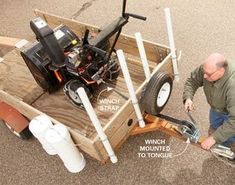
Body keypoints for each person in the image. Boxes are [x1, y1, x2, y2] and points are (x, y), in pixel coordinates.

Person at [182, 53, 235, 150]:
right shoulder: (208, 69)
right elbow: (192, 81)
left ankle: (227, 147)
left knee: (230, 135)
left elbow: (234, 120)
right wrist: (188, 97)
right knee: (215, 125)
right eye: (204, 72)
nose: (205, 76)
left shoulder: (233, 86)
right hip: (216, 108)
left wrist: (214, 138)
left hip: (231, 113)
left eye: (208, 74)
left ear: (221, 70)